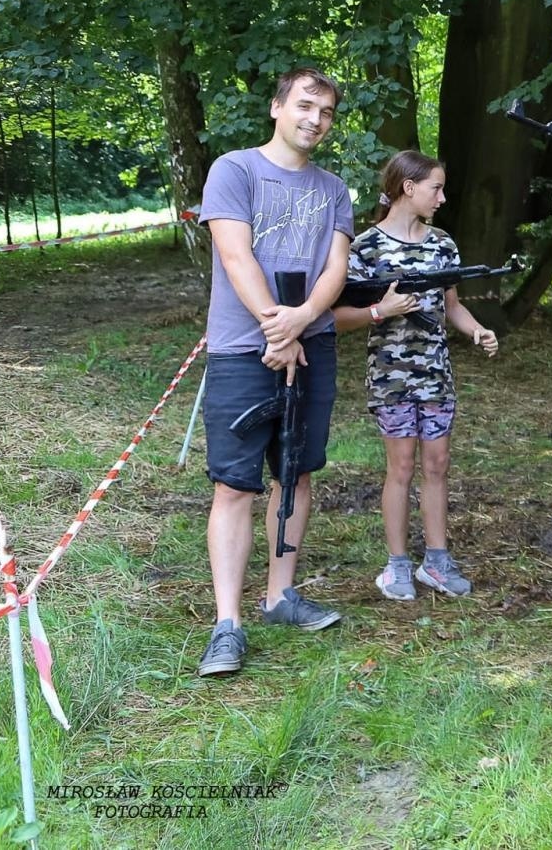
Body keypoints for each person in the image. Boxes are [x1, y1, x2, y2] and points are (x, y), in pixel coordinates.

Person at [195, 67, 355, 677]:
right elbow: (235, 253)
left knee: (297, 469)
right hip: (243, 350)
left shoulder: (334, 189)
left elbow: (335, 267)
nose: (315, 119)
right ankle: (228, 623)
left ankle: (280, 596)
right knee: (235, 484)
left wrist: (305, 319)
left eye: (327, 112)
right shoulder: (234, 171)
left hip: (311, 347)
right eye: (305, 106)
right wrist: (273, 326)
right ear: (277, 107)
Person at [333, 151, 499, 603]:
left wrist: (478, 331)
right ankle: (397, 565)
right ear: (408, 188)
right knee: (401, 468)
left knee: (438, 466)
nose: (442, 198)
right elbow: (335, 317)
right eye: (436, 189)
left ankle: (437, 562)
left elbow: (453, 307)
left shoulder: (443, 244)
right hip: (390, 378)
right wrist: (378, 311)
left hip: (436, 375)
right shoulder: (363, 247)